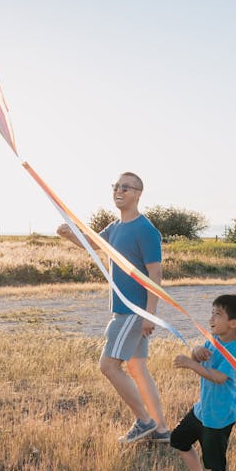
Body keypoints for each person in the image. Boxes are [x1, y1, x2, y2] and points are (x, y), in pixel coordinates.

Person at [57, 172, 167, 443]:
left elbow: (155, 275)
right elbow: (92, 244)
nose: (119, 190)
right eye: (116, 186)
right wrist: (70, 234)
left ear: (138, 194)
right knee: (138, 368)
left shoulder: (146, 230)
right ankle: (162, 431)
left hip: (134, 311)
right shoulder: (115, 227)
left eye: (126, 187)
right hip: (125, 310)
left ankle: (144, 421)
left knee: (108, 366)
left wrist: (149, 314)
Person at [169, 294, 236, 471]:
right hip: (203, 410)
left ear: (233, 323)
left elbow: (218, 377)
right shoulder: (212, 340)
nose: (211, 318)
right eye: (211, 312)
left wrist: (189, 364)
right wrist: (196, 353)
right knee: (179, 439)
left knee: (214, 463)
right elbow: (199, 355)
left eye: (218, 314)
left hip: (219, 417)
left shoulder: (235, 349)